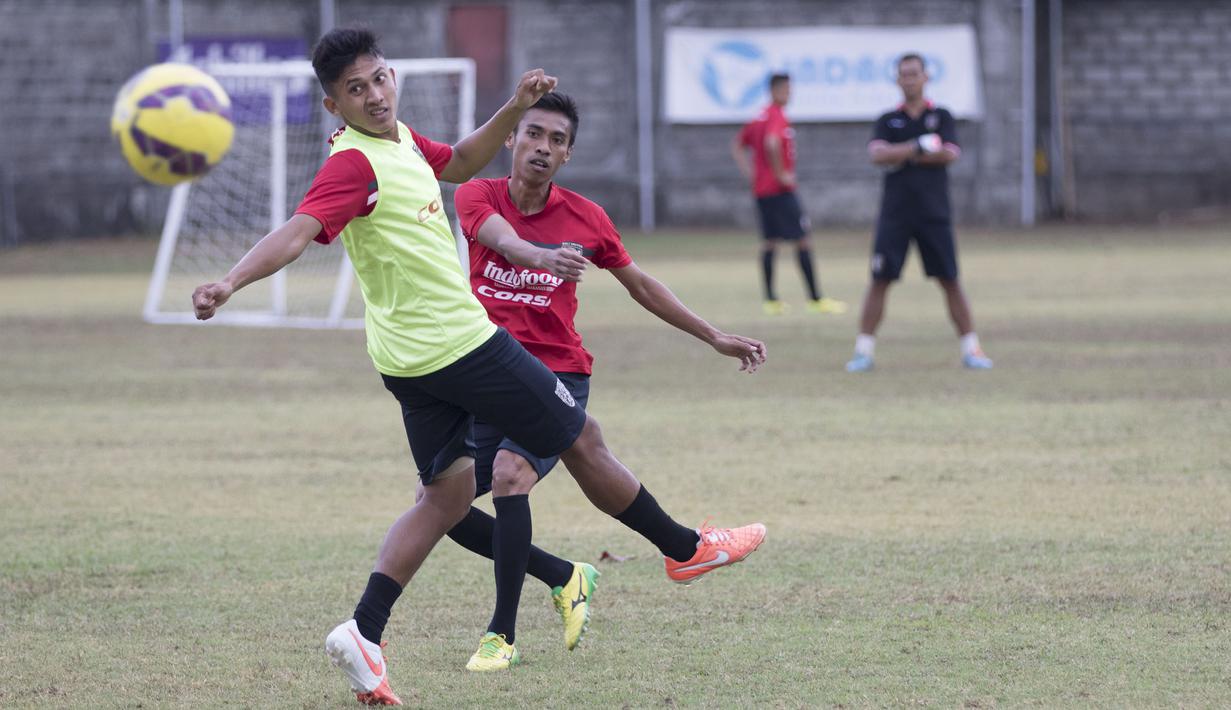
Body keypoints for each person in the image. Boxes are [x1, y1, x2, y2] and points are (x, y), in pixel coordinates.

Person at [190, 29, 765, 706]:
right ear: (331, 105)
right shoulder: (352, 166)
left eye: (378, 79)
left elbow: (460, 160)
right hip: (458, 343)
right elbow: (299, 230)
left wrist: (512, 104)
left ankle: (364, 633)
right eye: (355, 89)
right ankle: (682, 548)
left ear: (391, 75)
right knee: (577, 433)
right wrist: (231, 281)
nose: (373, 95)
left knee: (446, 497)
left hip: (404, 359)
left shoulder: (400, 141)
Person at [442, 92, 769, 672]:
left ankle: (501, 636)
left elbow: (640, 284)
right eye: (534, 134)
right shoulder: (477, 193)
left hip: (556, 370)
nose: (543, 147)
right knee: (441, 505)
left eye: (557, 140)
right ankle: (609, 566)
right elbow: (497, 238)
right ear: (512, 139)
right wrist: (540, 258)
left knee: (512, 474)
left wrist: (713, 335)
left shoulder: (587, 217)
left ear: (568, 155)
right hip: (486, 371)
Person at [845, 54, 993, 372]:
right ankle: (863, 351)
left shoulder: (941, 116)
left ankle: (972, 348)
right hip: (895, 214)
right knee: (880, 279)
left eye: (914, 74)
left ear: (926, 77)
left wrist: (906, 155)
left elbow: (949, 154)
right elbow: (877, 154)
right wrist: (916, 148)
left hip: (933, 213)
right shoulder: (888, 119)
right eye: (904, 75)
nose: (909, 79)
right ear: (897, 80)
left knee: (950, 279)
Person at [731, 73, 846, 317]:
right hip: (780, 191)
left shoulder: (758, 117)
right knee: (803, 239)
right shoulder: (776, 116)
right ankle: (816, 299)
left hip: (762, 190)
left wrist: (751, 174)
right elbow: (773, 143)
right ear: (774, 91)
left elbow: (738, 146)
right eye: (786, 89)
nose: (789, 94)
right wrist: (781, 173)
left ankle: (771, 300)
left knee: (770, 242)